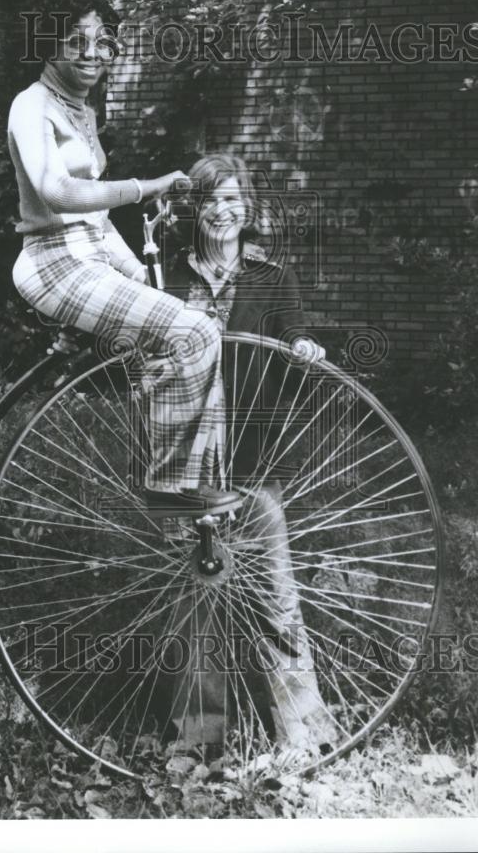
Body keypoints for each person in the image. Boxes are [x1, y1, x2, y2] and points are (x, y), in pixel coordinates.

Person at [8, 0, 240, 514]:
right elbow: (57, 192)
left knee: (195, 330)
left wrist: (135, 270)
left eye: (104, 43)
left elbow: (94, 216)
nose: (92, 53)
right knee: (194, 330)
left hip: (87, 256)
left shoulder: (82, 110)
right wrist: (145, 186)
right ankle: (168, 487)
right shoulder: (32, 106)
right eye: (76, 41)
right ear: (48, 45)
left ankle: (197, 491)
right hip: (53, 263)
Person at [160, 153, 338, 757]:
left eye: (234, 199)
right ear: (195, 211)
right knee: (196, 601)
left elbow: (291, 339)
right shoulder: (165, 280)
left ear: (249, 209)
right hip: (186, 458)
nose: (223, 211)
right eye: (211, 200)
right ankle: (195, 740)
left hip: (252, 454)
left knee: (274, 592)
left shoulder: (273, 278)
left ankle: (303, 732)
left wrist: (303, 350)